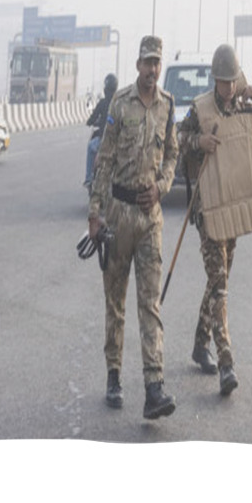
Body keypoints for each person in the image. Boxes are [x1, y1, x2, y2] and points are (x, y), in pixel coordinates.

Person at [88, 36, 179, 419]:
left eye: (157, 63)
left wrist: (161, 187)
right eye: (147, 63)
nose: (152, 70)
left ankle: (154, 387)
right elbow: (104, 159)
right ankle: (113, 375)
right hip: (118, 215)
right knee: (116, 302)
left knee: (150, 304)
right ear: (137, 65)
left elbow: (172, 154)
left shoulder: (167, 107)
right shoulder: (120, 104)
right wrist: (95, 212)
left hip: (149, 219)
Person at [178, 44, 252, 395]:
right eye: (223, 82)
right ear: (214, 80)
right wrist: (199, 141)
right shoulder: (199, 109)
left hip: (235, 205)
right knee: (220, 285)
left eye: (233, 82)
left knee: (220, 278)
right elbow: (177, 140)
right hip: (209, 207)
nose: (228, 88)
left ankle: (201, 343)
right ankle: (226, 362)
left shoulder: (245, 105)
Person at [84, 73, 118, 189]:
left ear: (105, 88)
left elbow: (92, 118)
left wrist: (90, 122)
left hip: (103, 141)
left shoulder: (102, 103)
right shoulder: (119, 103)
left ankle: (88, 177)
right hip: (117, 142)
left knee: (90, 147)